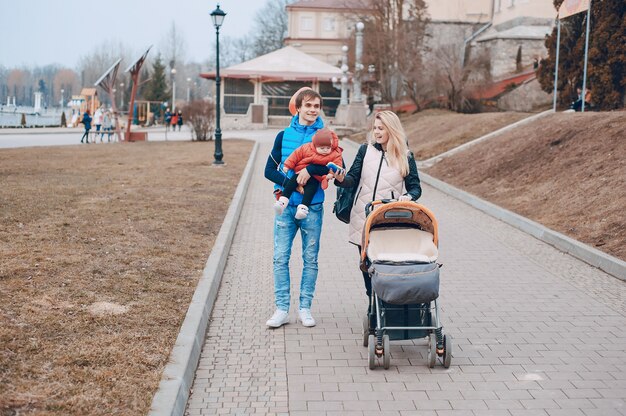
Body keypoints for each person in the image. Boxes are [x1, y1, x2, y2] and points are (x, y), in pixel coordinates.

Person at [334, 110, 422, 297]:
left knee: (385, 263)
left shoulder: (405, 156)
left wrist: (408, 197)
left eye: (381, 128)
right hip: (363, 216)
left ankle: (386, 300)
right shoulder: (365, 150)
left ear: (392, 129)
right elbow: (352, 178)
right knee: (366, 263)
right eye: (375, 128)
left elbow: (415, 188)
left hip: (388, 218)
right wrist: (341, 179)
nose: (376, 132)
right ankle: (371, 303)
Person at [264, 88, 329, 328]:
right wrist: (291, 184)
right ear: (298, 108)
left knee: (310, 259)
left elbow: (332, 166)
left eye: (316, 106)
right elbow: (268, 170)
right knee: (280, 258)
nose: (312, 110)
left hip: (313, 208)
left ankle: (305, 308)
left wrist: (310, 171)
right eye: (308, 105)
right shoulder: (283, 136)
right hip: (286, 208)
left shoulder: (326, 137)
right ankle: (281, 309)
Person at [274, 128, 343, 219]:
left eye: (328, 148)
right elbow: (295, 155)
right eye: (322, 148)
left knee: (311, 189)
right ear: (315, 145)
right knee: (291, 183)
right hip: (300, 171)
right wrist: (287, 165)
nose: (325, 150)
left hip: (316, 178)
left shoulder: (334, 153)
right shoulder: (307, 148)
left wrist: (331, 174)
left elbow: (337, 165)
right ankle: (282, 201)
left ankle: (303, 208)